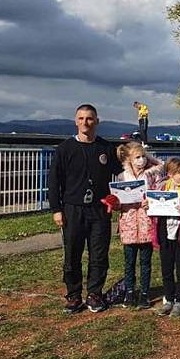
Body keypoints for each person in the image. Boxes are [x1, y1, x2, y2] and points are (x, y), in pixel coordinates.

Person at [48, 104, 122, 314]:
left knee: (99, 254)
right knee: (72, 254)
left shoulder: (107, 149)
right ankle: (73, 295)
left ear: (97, 121)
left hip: (99, 210)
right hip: (73, 209)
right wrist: (56, 209)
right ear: (75, 121)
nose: (85, 122)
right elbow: (55, 182)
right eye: (81, 118)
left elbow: (125, 174)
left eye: (89, 118)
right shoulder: (65, 149)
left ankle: (95, 294)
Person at [114, 142, 164, 309]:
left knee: (145, 261)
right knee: (129, 262)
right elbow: (117, 200)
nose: (141, 160)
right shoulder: (122, 177)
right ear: (129, 159)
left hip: (146, 224)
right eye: (137, 157)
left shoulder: (152, 175)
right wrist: (115, 203)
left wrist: (151, 202)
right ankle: (129, 291)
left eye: (143, 156)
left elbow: (160, 193)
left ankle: (144, 293)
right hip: (128, 224)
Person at [150, 158, 180, 319]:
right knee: (166, 268)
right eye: (179, 173)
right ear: (170, 174)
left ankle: (179, 301)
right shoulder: (160, 187)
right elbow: (153, 207)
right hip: (164, 232)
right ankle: (168, 299)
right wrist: (149, 206)